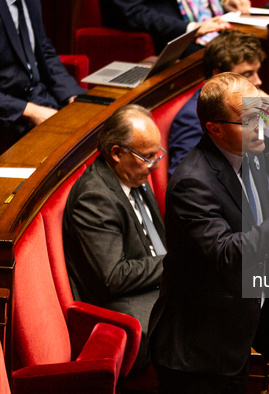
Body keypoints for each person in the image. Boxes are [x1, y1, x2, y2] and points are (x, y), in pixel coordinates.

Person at [148, 73, 269, 393]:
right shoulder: (192, 183)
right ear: (215, 129)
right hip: (198, 351)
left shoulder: (253, 157)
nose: (262, 127)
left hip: (236, 337)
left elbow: (252, 231)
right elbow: (227, 253)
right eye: (249, 120)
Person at [63, 105, 166, 368]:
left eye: (157, 155)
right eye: (147, 157)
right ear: (117, 153)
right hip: (122, 309)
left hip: (153, 286)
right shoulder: (95, 198)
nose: (154, 166)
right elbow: (114, 277)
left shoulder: (133, 175)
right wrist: (176, 263)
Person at [0, 0, 86, 154]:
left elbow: (44, 51)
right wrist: (31, 112)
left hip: (45, 100)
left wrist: (72, 95)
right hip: (10, 118)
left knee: (104, 130)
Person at [168, 29, 269, 178]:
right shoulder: (191, 117)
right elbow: (184, 177)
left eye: (257, 72)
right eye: (247, 74)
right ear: (218, 74)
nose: (258, 81)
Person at [101, 0, 250, 55]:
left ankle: (265, 123)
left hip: (211, 24)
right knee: (239, 55)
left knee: (255, 46)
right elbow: (132, 13)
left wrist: (224, 3)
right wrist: (190, 28)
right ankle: (260, 122)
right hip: (168, 35)